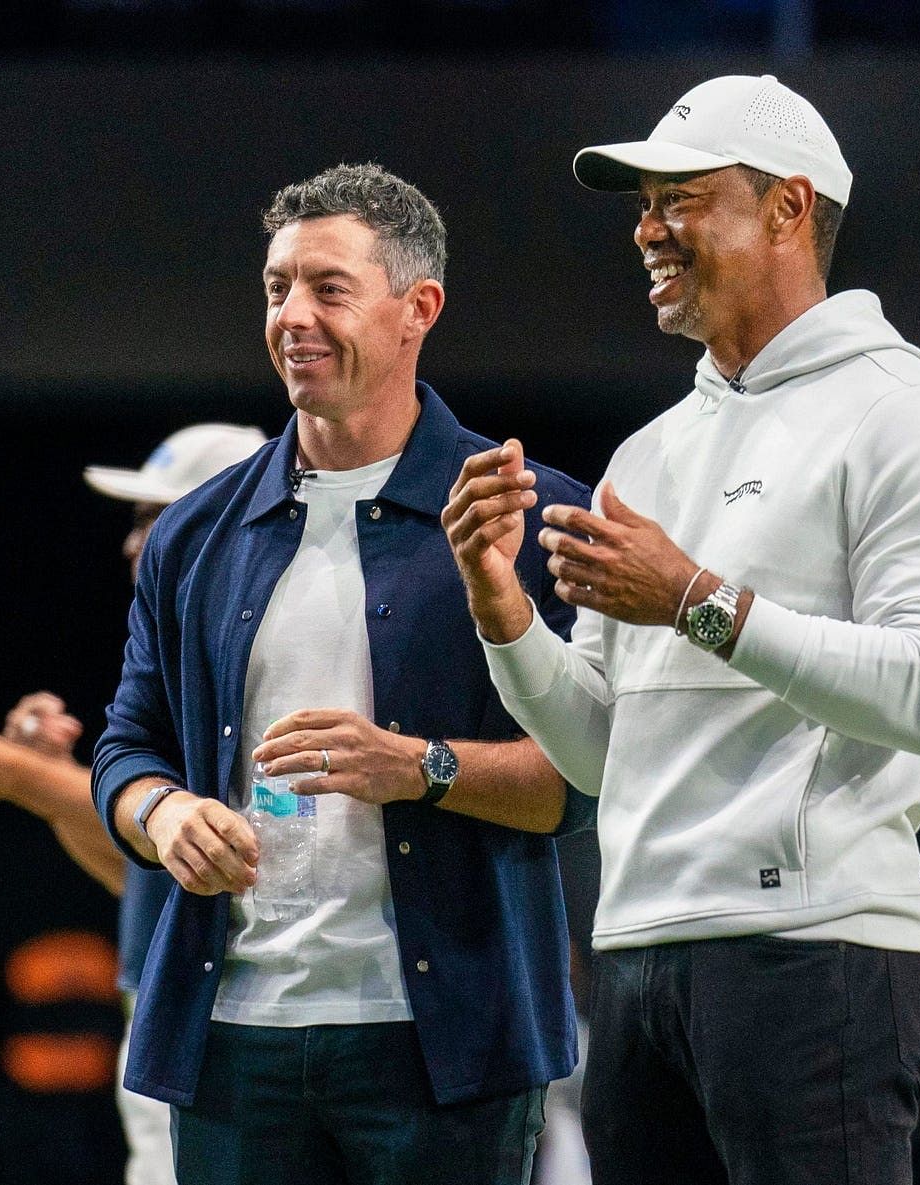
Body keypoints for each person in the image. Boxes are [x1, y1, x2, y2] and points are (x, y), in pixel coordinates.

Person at [444, 75, 920, 1184]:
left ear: (788, 210)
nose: (645, 229)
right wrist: (503, 616)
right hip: (638, 956)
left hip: (815, 950)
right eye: (641, 204)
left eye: (679, 199)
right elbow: (598, 753)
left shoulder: (905, 418)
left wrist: (696, 600)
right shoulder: (649, 452)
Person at [91, 162, 593, 1185]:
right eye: (277, 287)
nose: (291, 318)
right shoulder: (196, 533)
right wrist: (163, 817)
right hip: (232, 1039)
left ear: (419, 309)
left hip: (442, 1045)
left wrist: (419, 767)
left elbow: (580, 783)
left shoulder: (526, 515)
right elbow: (125, 747)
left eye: (327, 288)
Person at [0, 420, 266, 1185]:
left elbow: (224, 842)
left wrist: (15, 773)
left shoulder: (259, 655)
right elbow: (145, 869)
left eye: (152, 518)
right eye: (133, 522)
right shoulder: (168, 658)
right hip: (168, 1017)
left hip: (233, 1027)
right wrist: (50, 780)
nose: (134, 544)